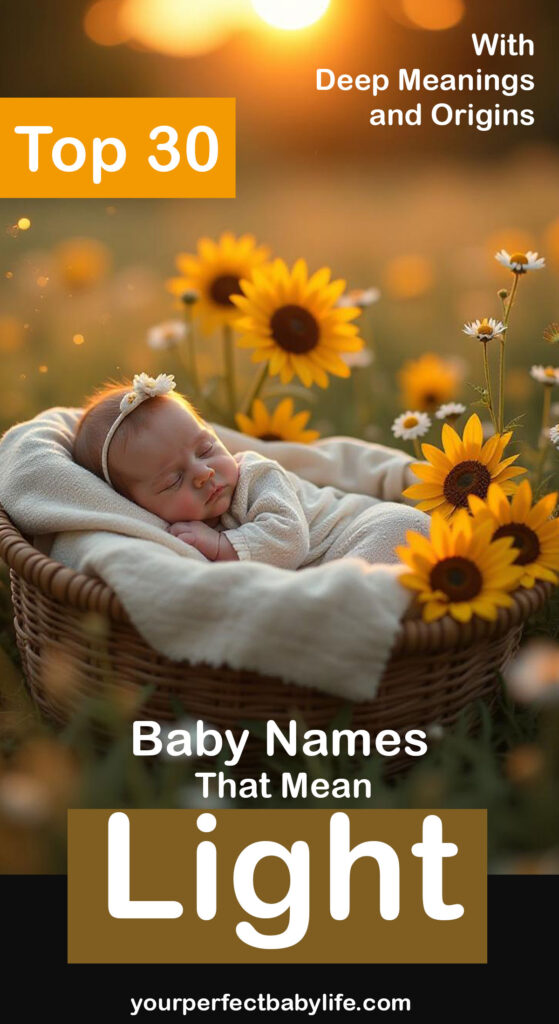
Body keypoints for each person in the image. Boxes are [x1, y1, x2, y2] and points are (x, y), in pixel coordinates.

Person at [73, 372, 429, 568]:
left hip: (359, 530)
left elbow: (288, 540)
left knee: (401, 525)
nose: (203, 473)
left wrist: (219, 545)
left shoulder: (255, 476)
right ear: (133, 504)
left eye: (206, 448)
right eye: (173, 480)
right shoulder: (167, 535)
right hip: (326, 570)